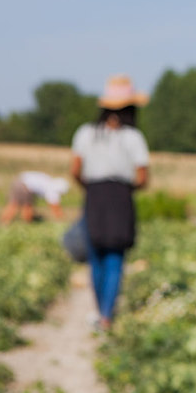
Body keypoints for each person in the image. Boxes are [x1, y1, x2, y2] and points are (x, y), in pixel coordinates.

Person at [69, 75, 150, 331]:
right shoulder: (133, 137)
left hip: (94, 196)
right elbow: (142, 177)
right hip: (121, 198)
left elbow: (75, 169)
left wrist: (90, 187)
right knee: (115, 257)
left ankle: (99, 310)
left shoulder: (86, 133)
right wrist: (127, 189)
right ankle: (106, 315)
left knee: (96, 257)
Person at [0, 171, 69, 224]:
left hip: (18, 181)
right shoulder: (52, 188)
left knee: (13, 204)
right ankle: (26, 225)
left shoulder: (48, 181)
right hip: (25, 186)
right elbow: (55, 207)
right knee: (27, 207)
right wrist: (61, 220)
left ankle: (4, 223)